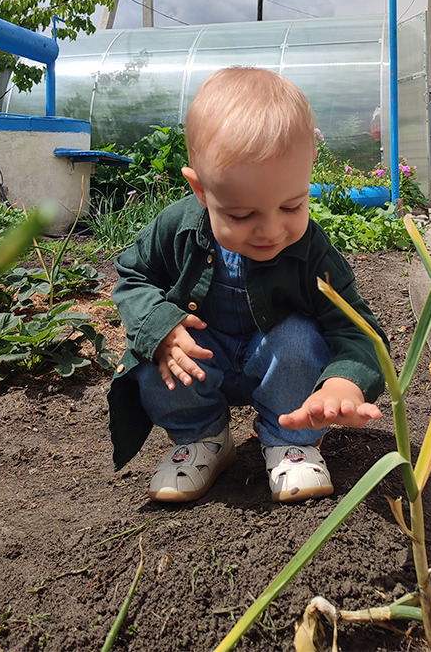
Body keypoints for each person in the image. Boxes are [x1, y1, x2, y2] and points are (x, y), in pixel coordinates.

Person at [107, 67, 388, 504]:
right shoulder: (176, 228)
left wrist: (343, 384)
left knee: (299, 339)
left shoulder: (311, 250)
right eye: (240, 216)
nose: (270, 230)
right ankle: (202, 438)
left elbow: (357, 329)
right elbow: (132, 276)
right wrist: (160, 324)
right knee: (154, 352)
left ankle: (289, 440)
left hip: (275, 365)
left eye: (292, 205)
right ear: (200, 191)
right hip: (203, 359)